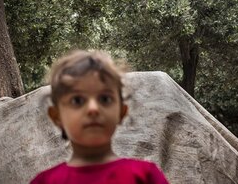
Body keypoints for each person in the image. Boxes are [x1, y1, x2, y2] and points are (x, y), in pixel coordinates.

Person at [30, 50, 169, 184]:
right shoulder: (45, 181)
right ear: (57, 117)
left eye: (104, 99)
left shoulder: (146, 176)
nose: (93, 108)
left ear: (121, 112)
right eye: (77, 100)